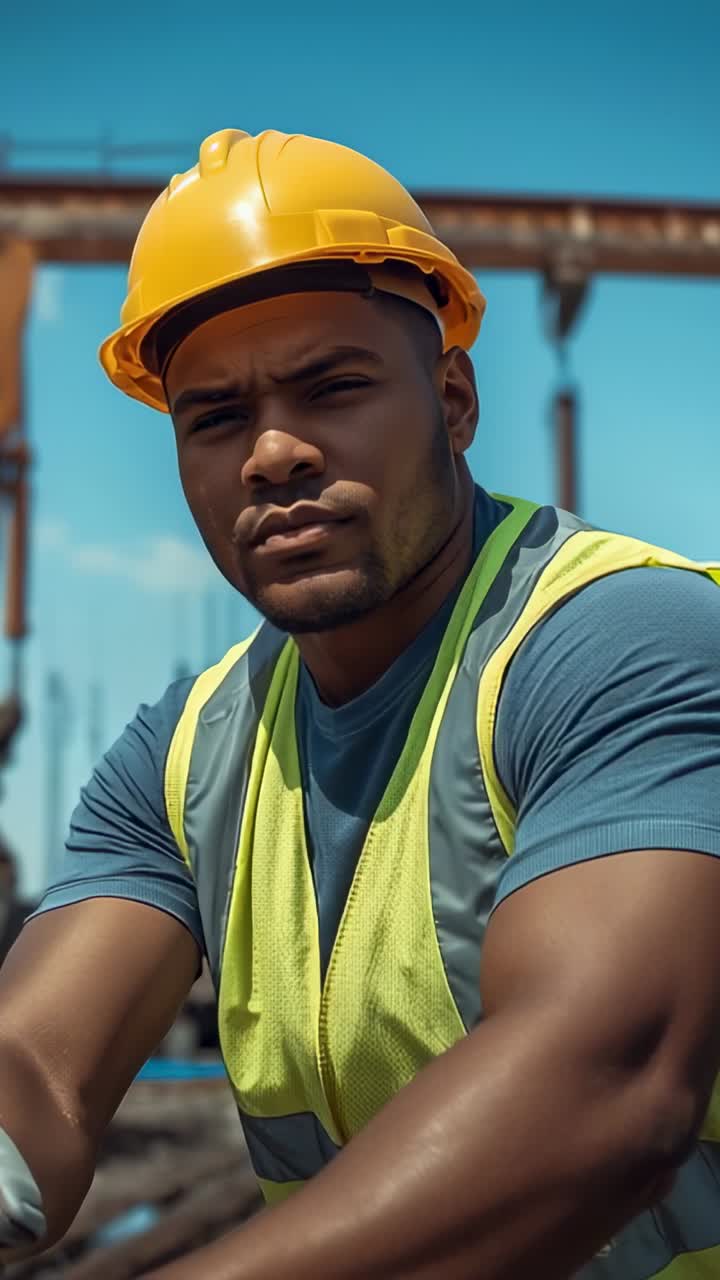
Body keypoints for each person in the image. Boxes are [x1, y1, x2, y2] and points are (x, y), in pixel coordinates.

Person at [1, 128, 720, 1280]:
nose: (273, 452)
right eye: (216, 416)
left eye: (332, 387)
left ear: (453, 398)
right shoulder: (183, 759)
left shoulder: (617, 645)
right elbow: (35, 1063)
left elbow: (606, 1084)